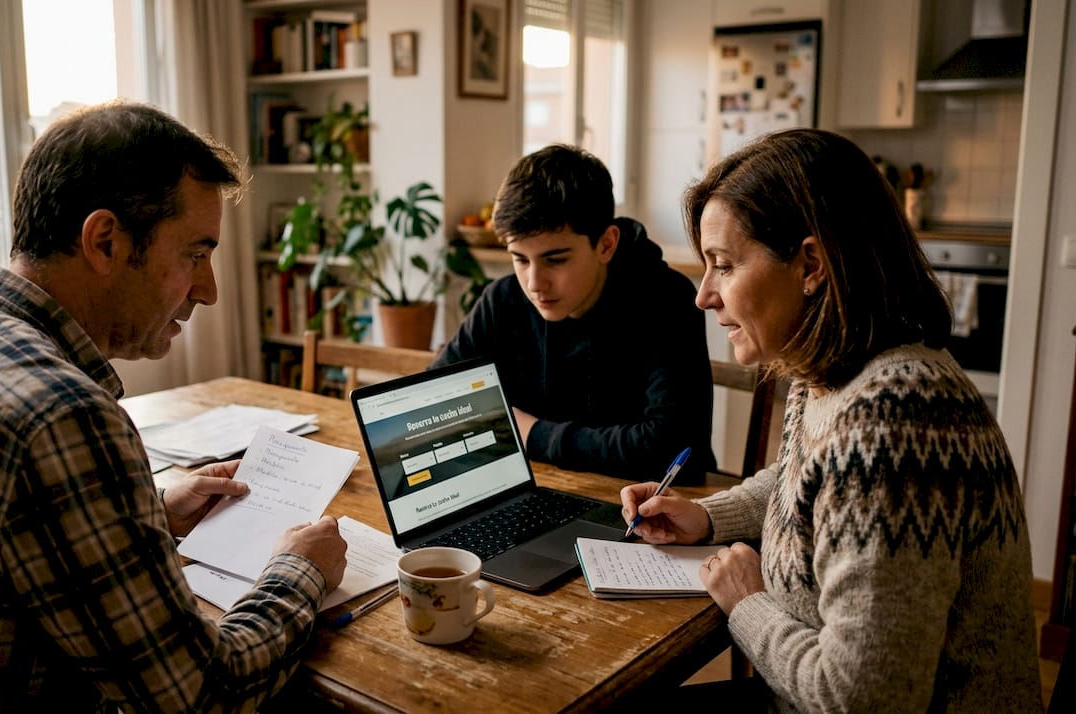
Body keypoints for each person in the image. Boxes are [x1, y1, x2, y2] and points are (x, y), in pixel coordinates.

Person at [0, 102, 348, 712]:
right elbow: (200, 697)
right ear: (105, 241)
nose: (210, 290)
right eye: (195, 254)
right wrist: (299, 570)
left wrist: (152, 512)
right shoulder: (60, 415)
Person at [621, 128, 1041, 711]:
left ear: (810, 264)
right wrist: (708, 516)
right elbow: (806, 481)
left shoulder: (894, 423)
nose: (705, 295)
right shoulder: (832, 370)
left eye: (724, 265)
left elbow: (863, 699)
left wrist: (747, 603)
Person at [432, 144, 716, 483]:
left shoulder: (666, 300)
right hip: (538, 487)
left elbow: (676, 450)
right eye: (520, 259)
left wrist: (533, 434)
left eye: (555, 260)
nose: (534, 283)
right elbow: (435, 399)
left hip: (642, 501)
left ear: (606, 244)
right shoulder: (503, 299)